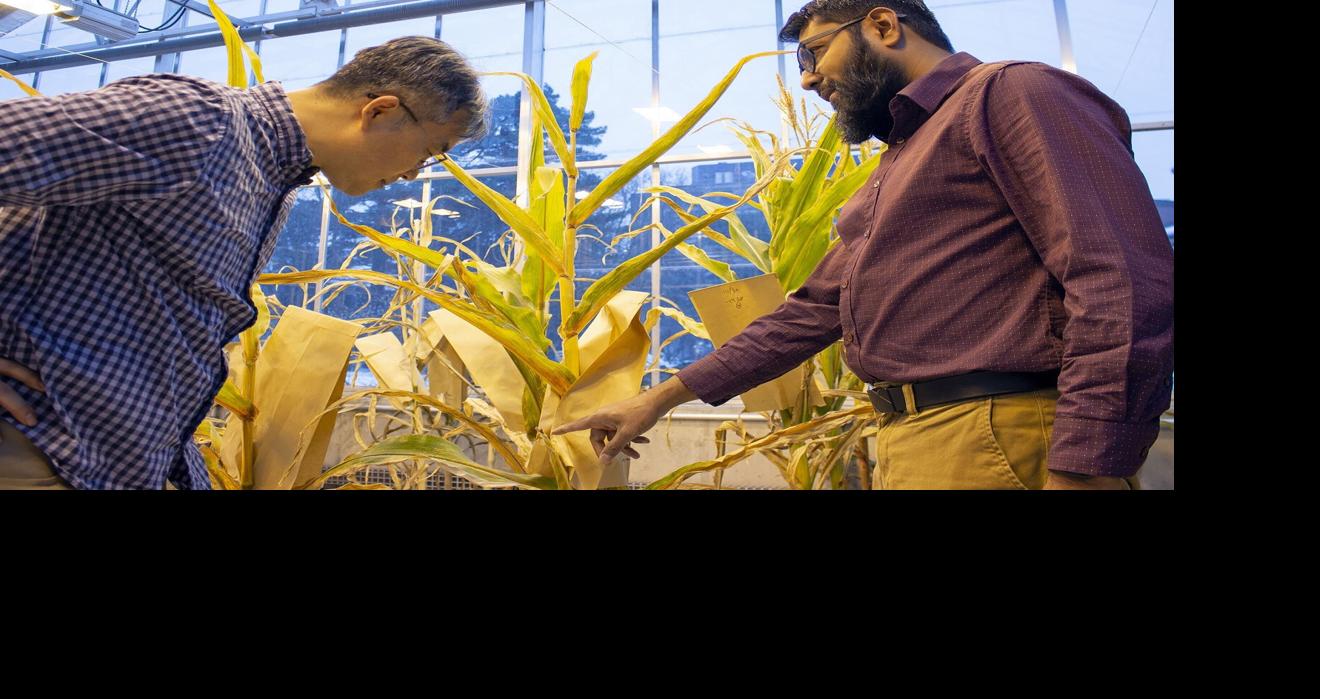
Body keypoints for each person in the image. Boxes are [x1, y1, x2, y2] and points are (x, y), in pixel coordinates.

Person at [555, 1, 1173, 490]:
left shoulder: (1011, 93)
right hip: (918, 436)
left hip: (999, 431)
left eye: (815, 51)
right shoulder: (901, 160)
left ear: (882, 25)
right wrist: (658, 399)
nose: (806, 79)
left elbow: (1121, 281)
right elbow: (809, 312)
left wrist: (1086, 463)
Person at [0, 36, 488, 489]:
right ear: (380, 111)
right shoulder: (199, 122)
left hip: (108, 458)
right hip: (40, 444)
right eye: (430, 152)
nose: (412, 174)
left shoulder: (272, 177)